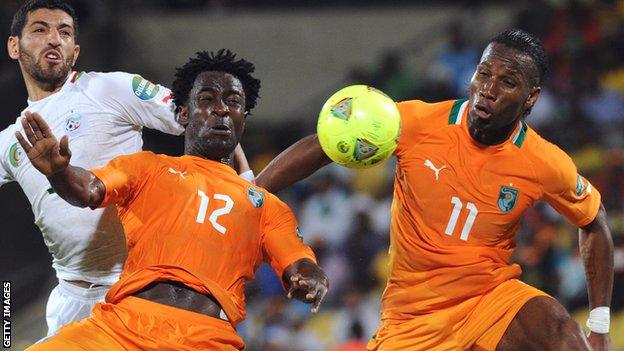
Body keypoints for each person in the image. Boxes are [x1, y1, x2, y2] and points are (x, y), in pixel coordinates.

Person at [255, 29, 614, 351]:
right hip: (412, 317)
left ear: (531, 97)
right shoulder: (416, 122)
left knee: (559, 330)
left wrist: (598, 322)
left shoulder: (544, 162)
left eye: (507, 82)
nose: (488, 90)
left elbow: (594, 221)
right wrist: (252, 191)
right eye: (484, 73)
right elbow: (324, 145)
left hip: (489, 298)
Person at [19, 48, 329, 350]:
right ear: (183, 112)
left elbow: (297, 263)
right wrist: (59, 172)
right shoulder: (147, 167)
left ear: (242, 120)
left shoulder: (265, 206)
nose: (221, 109)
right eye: (207, 100)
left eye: (233, 102)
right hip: (122, 329)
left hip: (207, 339)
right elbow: (87, 190)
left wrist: (311, 277)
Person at [0, 0, 190, 336]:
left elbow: (202, 122)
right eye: (40, 29)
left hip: (139, 286)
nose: (54, 39)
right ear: (14, 46)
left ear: (74, 50)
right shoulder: (10, 143)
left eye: (65, 32)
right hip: (71, 299)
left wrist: (247, 184)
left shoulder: (109, 88)